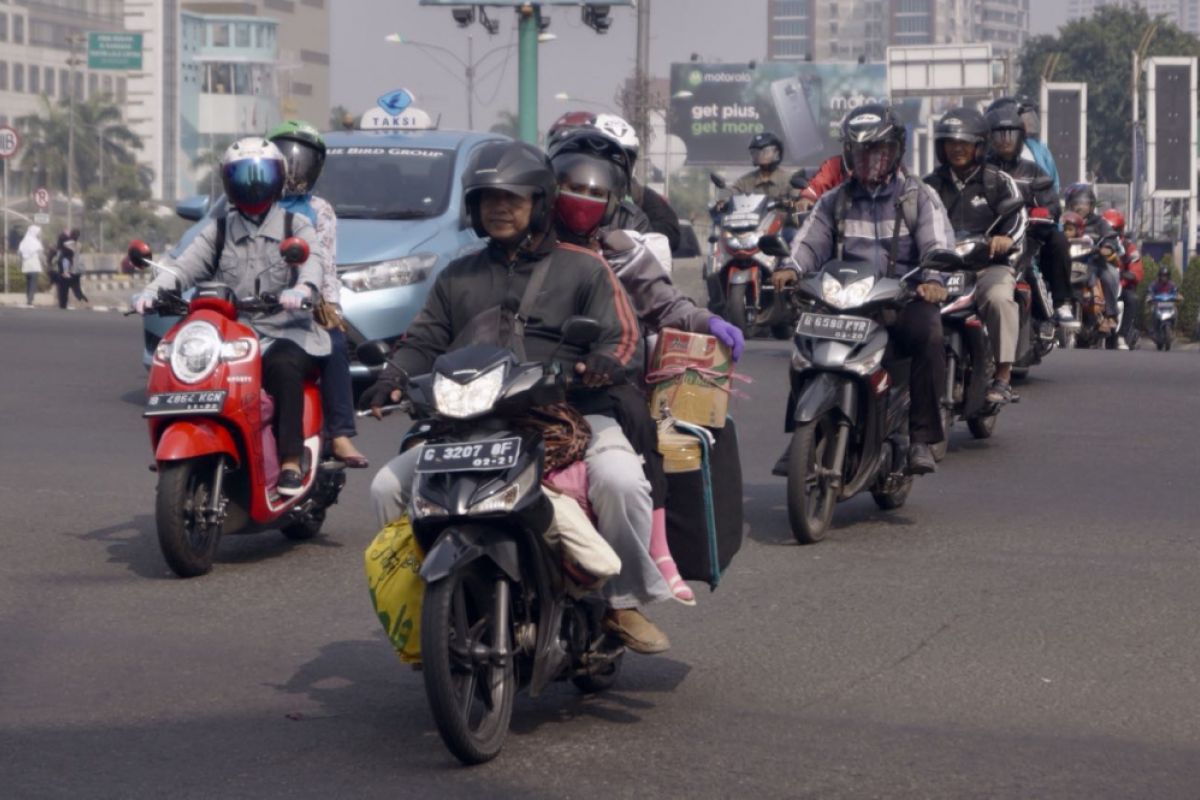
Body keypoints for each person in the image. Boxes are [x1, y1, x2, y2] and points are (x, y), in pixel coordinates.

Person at [362, 140, 675, 654]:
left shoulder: (585, 267)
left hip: (571, 412)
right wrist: (392, 376)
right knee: (384, 488)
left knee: (621, 483)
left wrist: (602, 363)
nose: (500, 208)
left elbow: (621, 336)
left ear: (541, 203)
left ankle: (621, 603)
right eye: (488, 199)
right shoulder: (457, 275)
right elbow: (422, 340)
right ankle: (429, 604)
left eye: (513, 198)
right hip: (471, 422)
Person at [547, 127, 745, 606]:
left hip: (605, 383)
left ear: (614, 196)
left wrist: (707, 320)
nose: (582, 198)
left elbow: (665, 305)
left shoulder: (620, 249)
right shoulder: (524, 247)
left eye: (596, 190)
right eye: (571, 184)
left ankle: (645, 570)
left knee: (638, 440)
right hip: (527, 387)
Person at [134, 137, 329, 496]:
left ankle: (289, 460)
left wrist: (302, 291)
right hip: (230, 334)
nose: (252, 184)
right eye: (242, 177)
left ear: (278, 179)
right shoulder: (219, 229)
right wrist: (153, 291)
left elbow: (313, 262)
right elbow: (182, 267)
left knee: (284, 369)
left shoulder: (295, 225)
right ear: (228, 181)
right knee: (187, 371)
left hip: (281, 330)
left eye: (261, 176)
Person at [772, 103, 955, 474]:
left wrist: (933, 281)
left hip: (898, 298)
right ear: (849, 152)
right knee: (803, 343)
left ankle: (921, 438)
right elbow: (809, 243)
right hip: (842, 301)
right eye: (861, 150)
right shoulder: (833, 200)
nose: (869, 158)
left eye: (878, 150)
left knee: (931, 334)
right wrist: (790, 268)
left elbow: (936, 244)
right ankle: (801, 435)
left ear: (895, 151)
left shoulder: (917, 196)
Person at [268, 120, 368, 469]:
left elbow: (325, 263)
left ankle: (339, 434)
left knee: (336, 345)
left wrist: (329, 309)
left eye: (301, 162)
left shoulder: (320, 210)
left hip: (304, 306)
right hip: (256, 308)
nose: (293, 170)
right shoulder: (249, 204)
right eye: (285, 160)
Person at [923, 106, 1026, 405]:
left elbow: (1019, 217)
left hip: (985, 267)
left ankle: (1004, 376)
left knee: (998, 299)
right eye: (951, 142)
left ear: (979, 146)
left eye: (964, 143)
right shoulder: (929, 186)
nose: (957, 149)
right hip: (940, 270)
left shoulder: (997, 181)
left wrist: (1006, 239)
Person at [984, 99, 1075, 325]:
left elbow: (1051, 200)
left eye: (1011, 135)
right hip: (992, 234)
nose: (1005, 141)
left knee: (1059, 241)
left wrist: (1044, 212)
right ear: (988, 137)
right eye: (999, 135)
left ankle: (1062, 302)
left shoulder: (1033, 168)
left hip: (1030, 231)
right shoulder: (982, 170)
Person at [592, 112, 683, 252]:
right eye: (607, 156)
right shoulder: (573, 188)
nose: (614, 164)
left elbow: (670, 234)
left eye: (622, 158)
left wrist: (634, 236)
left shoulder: (641, 196)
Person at [1064, 183, 1122, 333]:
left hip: (1094, 261)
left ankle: (1111, 315)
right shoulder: (1064, 221)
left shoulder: (1099, 222)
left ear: (1091, 206)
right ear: (1069, 204)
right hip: (1070, 262)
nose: (1080, 207)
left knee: (1110, 275)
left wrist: (1108, 247)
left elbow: (1110, 235)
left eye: (1084, 203)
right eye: (1076, 203)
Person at [1102, 209, 1142, 349]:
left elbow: (1136, 269)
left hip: (1120, 286)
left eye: (1115, 230)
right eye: (1108, 229)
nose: (1112, 233)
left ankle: (1122, 335)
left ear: (1121, 230)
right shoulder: (1096, 242)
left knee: (1132, 298)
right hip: (1099, 285)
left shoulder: (1129, 247)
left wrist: (1130, 274)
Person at [732, 132, 793, 201]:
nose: (760, 155)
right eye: (755, 152)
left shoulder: (790, 180)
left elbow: (800, 199)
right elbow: (731, 194)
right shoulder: (745, 181)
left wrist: (803, 201)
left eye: (765, 151)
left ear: (777, 153)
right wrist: (723, 200)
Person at [19, 225, 44, 307]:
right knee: (33, 283)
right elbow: (40, 254)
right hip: (34, 265)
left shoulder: (24, 241)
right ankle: (30, 300)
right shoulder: (36, 242)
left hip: (26, 265)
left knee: (28, 283)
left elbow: (20, 252)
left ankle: (28, 299)